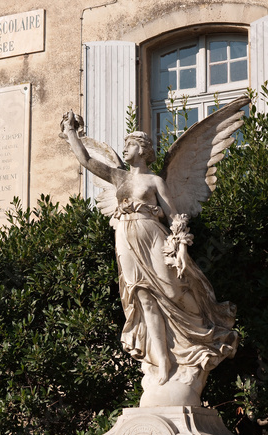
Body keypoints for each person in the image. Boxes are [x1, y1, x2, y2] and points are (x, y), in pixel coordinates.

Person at [61, 110, 238, 394]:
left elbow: (175, 216)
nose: (125, 149)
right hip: (126, 238)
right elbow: (87, 160)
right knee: (142, 297)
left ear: (142, 150)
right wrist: (71, 133)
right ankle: (162, 361)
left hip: (152, 236)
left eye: (129, 145)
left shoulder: (155, 181)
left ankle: (206, 331)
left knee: (172, 289)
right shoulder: (118, 177)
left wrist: (180, 248)